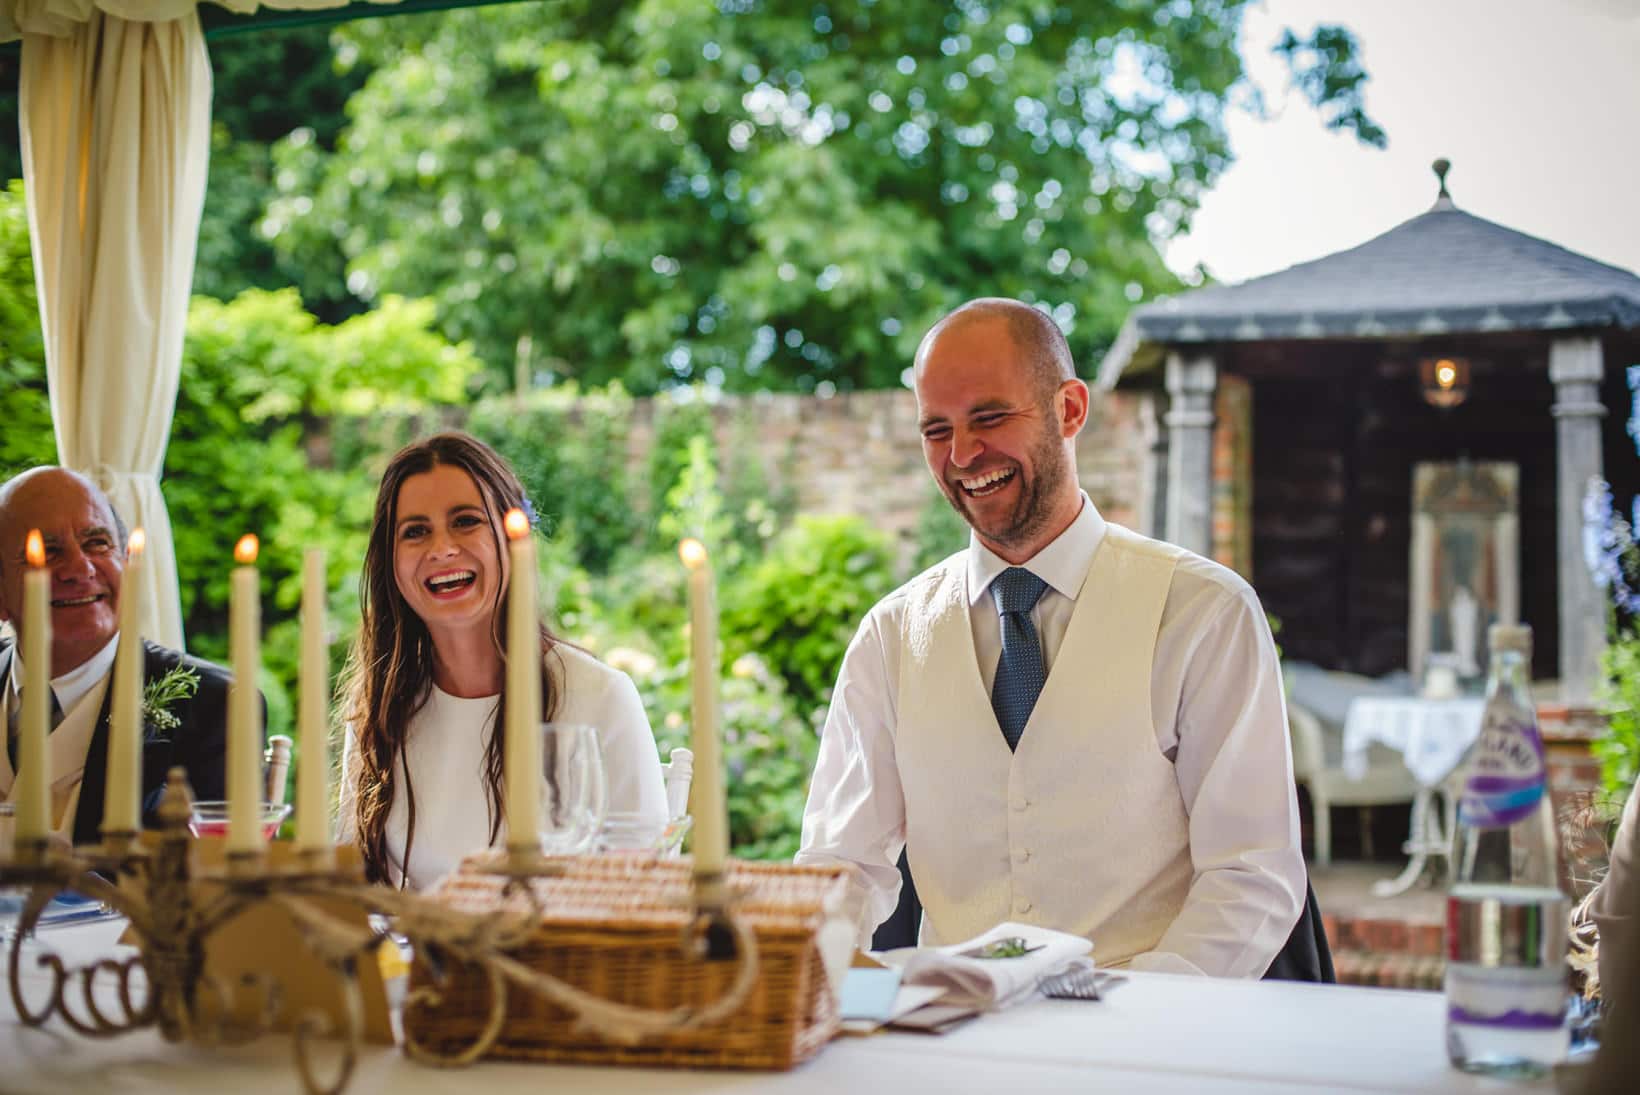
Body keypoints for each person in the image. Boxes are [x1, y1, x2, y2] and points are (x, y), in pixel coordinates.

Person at [795, 298, 1307, 976]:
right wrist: (815, 982)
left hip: (1144, 1042)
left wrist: (1131, 1020)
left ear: (1070, 409)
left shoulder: (1202, 613)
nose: (962, 454)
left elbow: (1251, 877)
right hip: (953, 1045)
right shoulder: (891, 635)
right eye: (935, 429)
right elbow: (843, 865)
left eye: (989, 417)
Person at [338, 433, 667, 889]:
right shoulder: (383, 708)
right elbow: (353, 889)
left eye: (465, 521)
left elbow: (643, 891)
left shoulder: (601, 698)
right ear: (389, 563)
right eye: (415, 531)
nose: (441, 549)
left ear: (513, 539)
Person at [0, 466, 236, 845]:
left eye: (97, 543)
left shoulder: (211, 706)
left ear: (127, 563)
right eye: (47, 551)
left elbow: (213, 891)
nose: (80, 568)